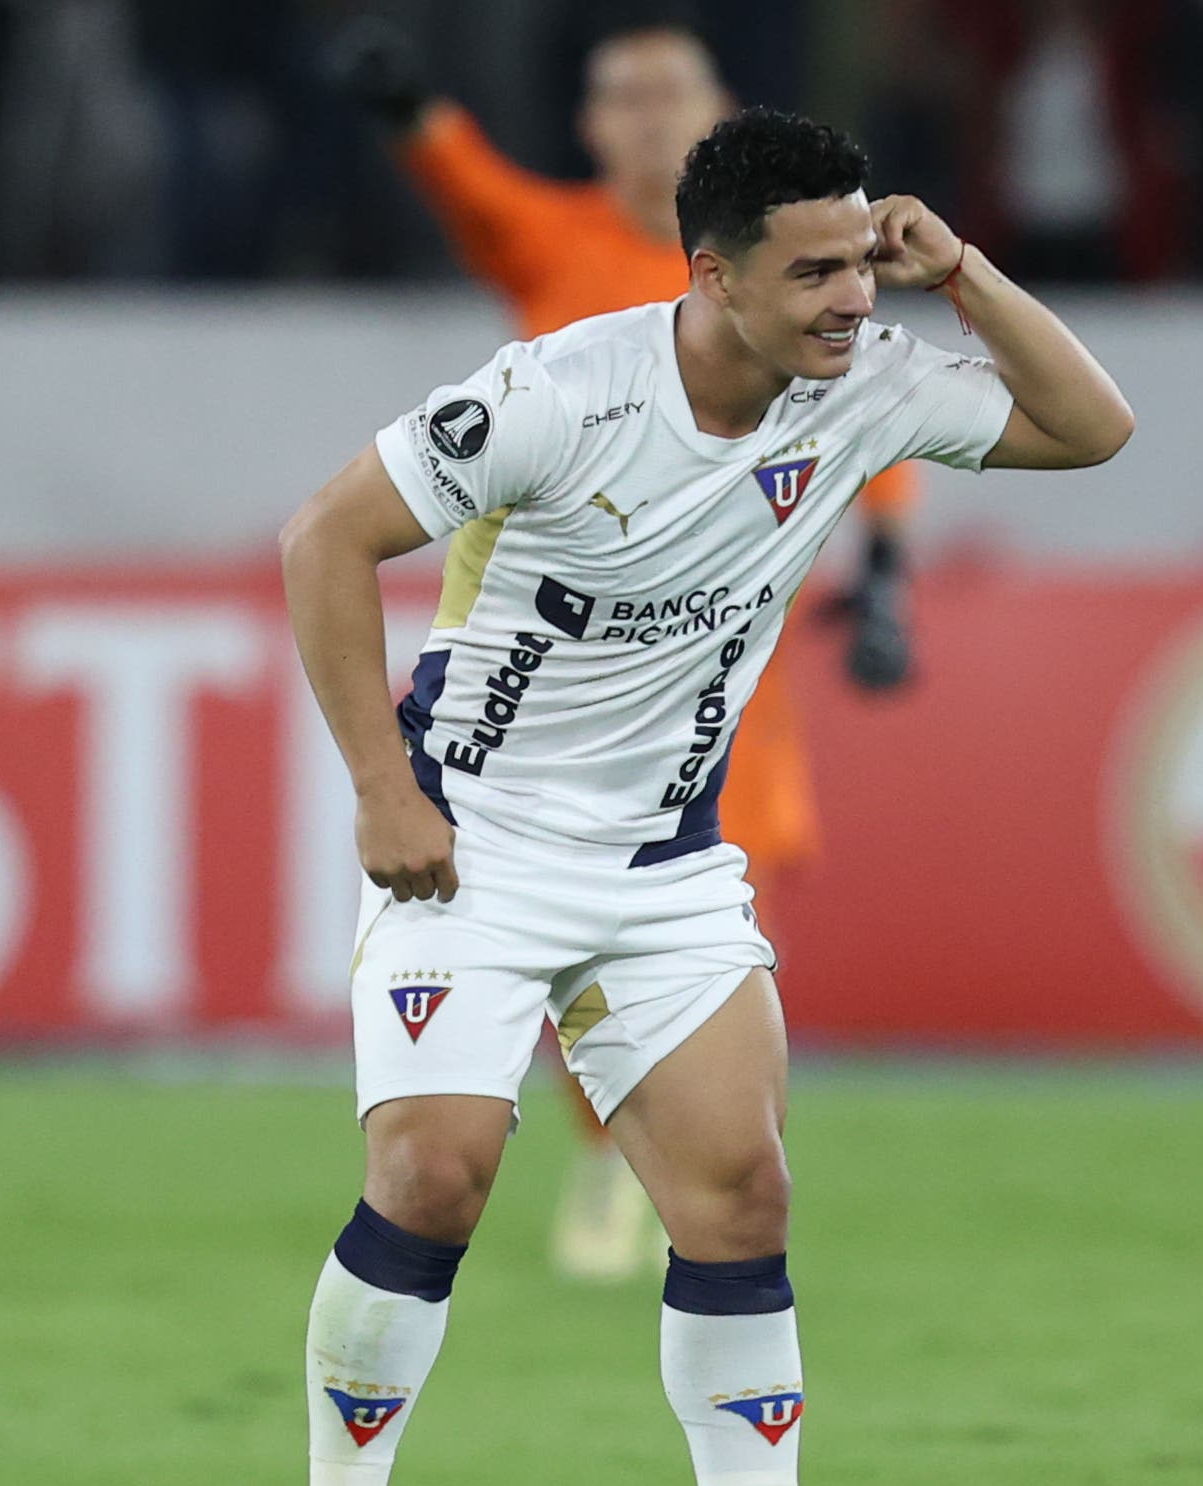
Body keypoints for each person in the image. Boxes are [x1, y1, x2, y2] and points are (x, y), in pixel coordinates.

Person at [275, 106, 1132, 1486]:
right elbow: (325, 539)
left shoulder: (861, 388)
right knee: (436, 1175)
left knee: (740, 1193)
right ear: (711, 277)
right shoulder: (560, 393)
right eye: (811, 272)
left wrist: (965, 276)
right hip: (472, 845)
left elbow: (1092, 428)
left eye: (859, 262)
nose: (847, 302)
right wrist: (381, 792)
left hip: (666, 865)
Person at [331, 18, 926, 1281]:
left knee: (703, 908)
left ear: (716, 106)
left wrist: (886, 576)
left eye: (673, 94)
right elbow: (467, 185)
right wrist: (408, 113)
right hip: (547, 657)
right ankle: (610, 1158)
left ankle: (677, 1161)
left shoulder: (805, 281)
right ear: (592, 129)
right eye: (621, 98)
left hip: (713, 656)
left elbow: (860, 429)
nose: (648, 116)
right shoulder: (557, 242)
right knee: (538, 919)